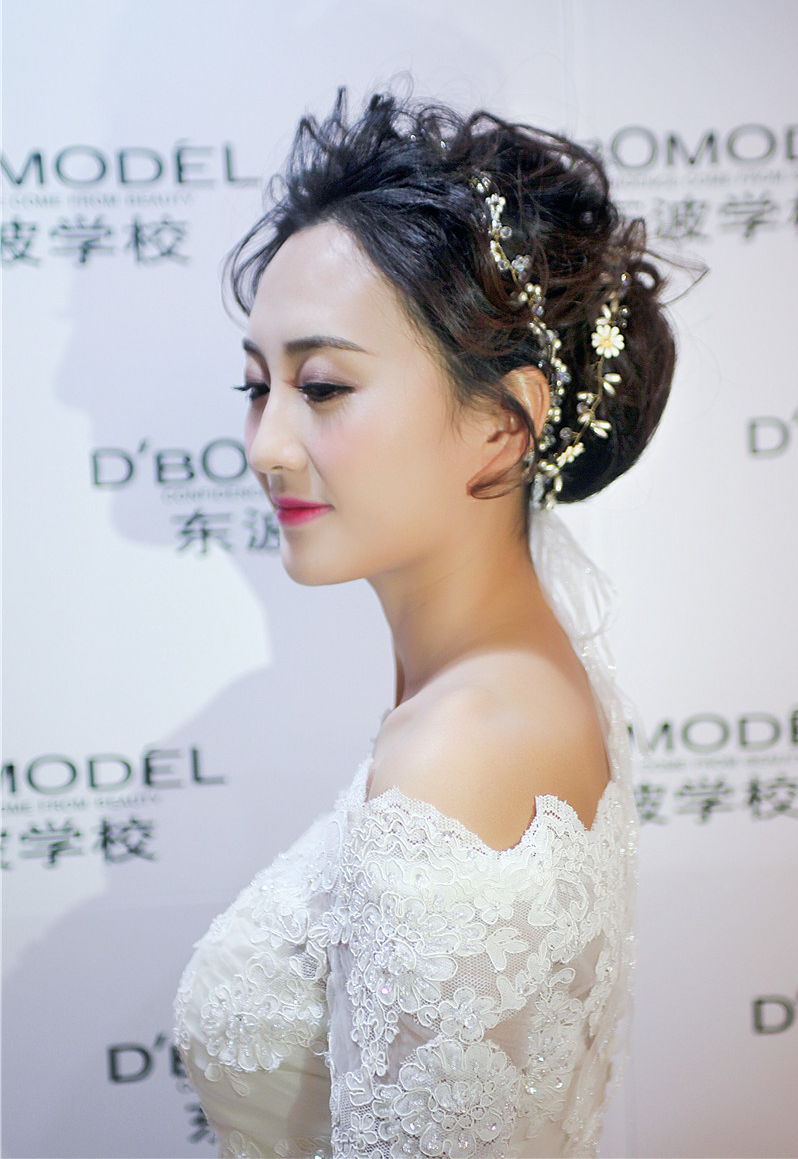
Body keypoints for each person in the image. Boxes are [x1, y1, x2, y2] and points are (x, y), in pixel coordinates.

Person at [174, 87, 676, 1159]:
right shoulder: (501, 692)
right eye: (256, 386)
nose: (265, 446)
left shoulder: (465, 747)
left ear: (502, 424)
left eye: (322, 386)